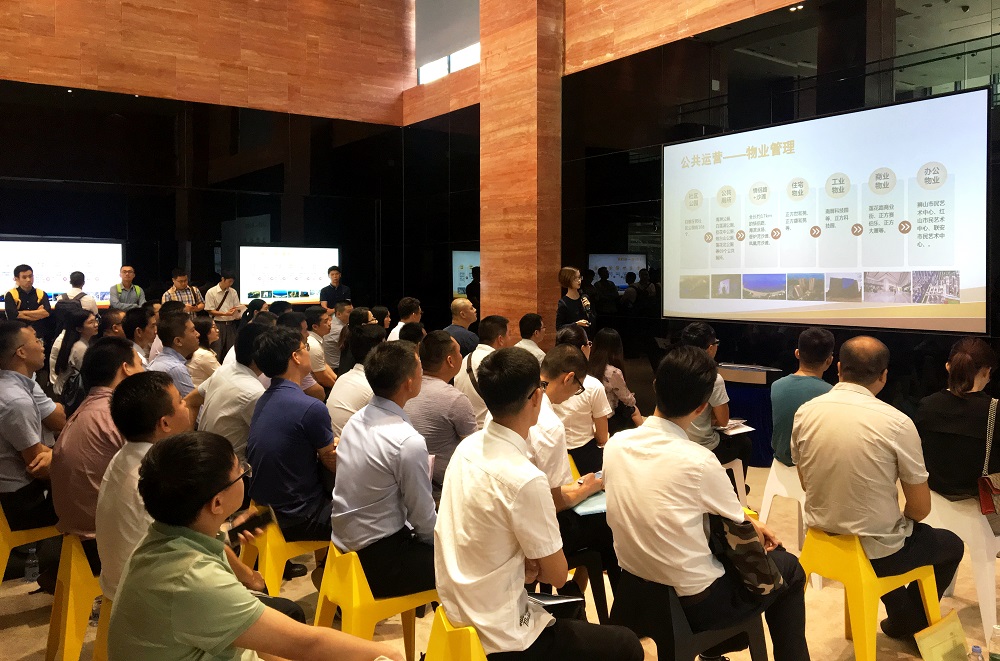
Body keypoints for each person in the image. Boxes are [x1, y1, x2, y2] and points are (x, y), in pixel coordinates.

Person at [108, 431, 401, 661]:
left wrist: (226, 533)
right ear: (217, 503)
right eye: (240, 472)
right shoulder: (193, 579)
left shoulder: (163, 535)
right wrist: (390, 654)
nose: (245, 475)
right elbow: (307, 643)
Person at [435, 347, 644, 661]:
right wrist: (536, 564)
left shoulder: (467, 448)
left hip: (457, 611)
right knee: (627, 644)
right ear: (536, 396)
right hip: (502, 635)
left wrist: (527, 562)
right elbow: (558, 577)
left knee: (573, 614)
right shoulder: (525, 478)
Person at [605, 345, 810, 661]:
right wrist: (755, 526)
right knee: (790, 568)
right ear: (702, 407)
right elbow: (740, 531)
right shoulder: (699, 461)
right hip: (696, 602)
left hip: (635, 590)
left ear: (656, 385)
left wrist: (749, 521)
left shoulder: (616, 444)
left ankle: (714, 650)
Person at [793, 335, 964, 640]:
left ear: (839, 368)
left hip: (820, 539)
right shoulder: (897, 423)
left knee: (888, 537)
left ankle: (903, 617)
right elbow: (920, 508)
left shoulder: (805, 412)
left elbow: (806, 482)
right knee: (948, 544)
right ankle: (909, 623)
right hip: (876, 552)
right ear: (884, 376)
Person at [331, 340, 437, 598]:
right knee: (465, 563)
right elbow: (423, 519)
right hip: (379, 560)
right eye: (420, 367)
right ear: (409, 383)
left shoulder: (356, 419)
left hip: (343, 545)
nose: (423, 372)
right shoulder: (406, 441)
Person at [95, 372, 192, 602]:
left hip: (117, 584)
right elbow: (190, 543)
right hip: (148, 597)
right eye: (180, 401)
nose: (186, 405)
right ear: (164, 423)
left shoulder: (124, 456)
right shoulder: (158, 475)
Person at [50, 337, 144, 573]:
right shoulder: (116, 413)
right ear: (126, 368)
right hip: (102, 541)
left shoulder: (87, 408)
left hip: (78, 532)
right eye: (140, 364)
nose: (144, 371)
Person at [533, 344, 619, 594]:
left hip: (520, 516)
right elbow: (554, 502)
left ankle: (574, 596)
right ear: (568, 378)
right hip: (539, 528)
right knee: (609, 526)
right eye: (578, 388)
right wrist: (586, 488)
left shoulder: (524, 401)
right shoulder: (549, 425)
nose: (576, 394)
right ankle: (578, 598)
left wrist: (579, 487)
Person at [247, 327, 337, 543]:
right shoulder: (310, 407)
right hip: (298, 516)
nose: (308, 352)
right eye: (306, 348)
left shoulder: (264, 400)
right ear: (296, 357)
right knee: (370, 520)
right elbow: (332, 462)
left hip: (264, 509)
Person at [915, 337, 1000, 531]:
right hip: (983, 509)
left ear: (948, 367)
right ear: (987, 371)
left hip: (934, 506)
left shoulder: (927, 406)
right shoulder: (995, 411)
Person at [403, 331, 478, 498]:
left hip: (404, 485)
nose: (461, 356)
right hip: (441, 493)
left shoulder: (405, 389)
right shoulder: (455, 399)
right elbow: (474, 450)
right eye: (459, 352)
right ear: (450, 361)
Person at [0, 320, 56, 531]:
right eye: (36, 340)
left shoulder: (12, 386)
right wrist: (59, 458)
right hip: (20, 498)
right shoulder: (16, 401)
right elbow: (37, 465)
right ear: (21, 352)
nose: (42, 346)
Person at [678, 322, 751, 481]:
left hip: (676, 442)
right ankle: (735, 490)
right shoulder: (713, 379)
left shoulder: (672, 371)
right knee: (744, 444)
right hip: (703, 446)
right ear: (710, 348)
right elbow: (723, 421)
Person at [186, 324, 271, 460]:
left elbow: (190, 401)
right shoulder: (254, 393)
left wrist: (192, 445)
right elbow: (272, 442)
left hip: (207, 457)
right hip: (232, 466)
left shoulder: (224, 370)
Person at [770, 327, 834, 467]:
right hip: (813, 466)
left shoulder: (777, 385)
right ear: (829, 360)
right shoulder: (831, 393)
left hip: (781, 462)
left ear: (797, 353)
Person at [551, 325, 611, 475]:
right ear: (583, 349)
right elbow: (602, 436)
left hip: (552, 452)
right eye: (588, 344)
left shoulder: (546, 382)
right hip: (584, 455)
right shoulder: (592, 385)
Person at [326, 324, 384, 436]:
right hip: (347, 444)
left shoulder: (344, 377)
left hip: (336, 441)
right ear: (377, 352)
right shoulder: (372, 387)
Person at [455, 315, 511, 429]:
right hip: (489, 430)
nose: (511, 339)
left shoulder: (466, 359)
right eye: (509, 334)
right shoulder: (498, 363)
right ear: (500, 339)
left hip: (464, 429)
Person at [588, 328, 642, 433]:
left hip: (588, 417)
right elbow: (627, 399)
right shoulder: (613, 372)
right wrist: (632, 397)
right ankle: (645, 435)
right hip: (607, 420)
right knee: (633, 409)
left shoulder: (586, 366)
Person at [276, 311, 326, 400]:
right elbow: (319, 394)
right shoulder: (294, 360)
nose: (308, 334)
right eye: (305, 331)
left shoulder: (274, 348)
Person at [148, 311, 200, 397]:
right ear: (178, 341)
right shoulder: (175, 368)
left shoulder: (161, 359)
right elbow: (193, 404)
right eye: (193, 331)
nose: (198, 334)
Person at [49, 308, 98, 397]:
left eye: (95, 320)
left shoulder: (74, 341)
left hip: (64, 390)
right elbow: (87, 374)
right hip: (69, 394)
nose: (96, 324)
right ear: (79, 329)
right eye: (91, 322)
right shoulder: (80, 347)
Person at [204, 269, 243, 358]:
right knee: (216, 350)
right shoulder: (211, 292)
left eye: (232, 282)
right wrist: (225, 314)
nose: (230, 284)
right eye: (229, 281)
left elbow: (237, 306)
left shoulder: (233, 292)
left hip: (231, 324)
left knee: (232, 350)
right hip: (217, 324)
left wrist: (236, 312)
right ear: (223, 279)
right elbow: (210, 310)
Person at [4, 264, 51, 333]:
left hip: (38, 332)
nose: (28, 280)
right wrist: (38, 313)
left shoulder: (41, 293)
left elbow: (47, 312)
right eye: (24, 277)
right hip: (18, 332)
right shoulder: (11, 294)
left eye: (30, 276)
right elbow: (13, 315)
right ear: (16, 279)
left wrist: (21, 313)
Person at [335, 306, 377, 376]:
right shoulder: (356, 343)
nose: (376, 321)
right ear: (364, 325)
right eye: (372, 319)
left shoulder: (354, 336)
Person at [305, 305, 337, 390]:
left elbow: (323, 364)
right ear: (315, 326)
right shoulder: (313, 345)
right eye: (326, 321)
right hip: (312, 389)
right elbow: (322, 378)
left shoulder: (316, 338)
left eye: (329, 319)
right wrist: (338, 389)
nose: (330, 323)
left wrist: (338, 380)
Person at [188, 315, 222, 387]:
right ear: (204, 330)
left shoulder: (201, 351)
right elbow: (223, 376)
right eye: (214, 327)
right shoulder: (203, 354)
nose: (217, 330)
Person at [322, 300, 353, 372]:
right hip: (336, 368)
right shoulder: (339, 329)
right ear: (339, 314)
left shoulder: (335, 321)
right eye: (349, 312)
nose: (352, 314)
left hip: (332, 365)